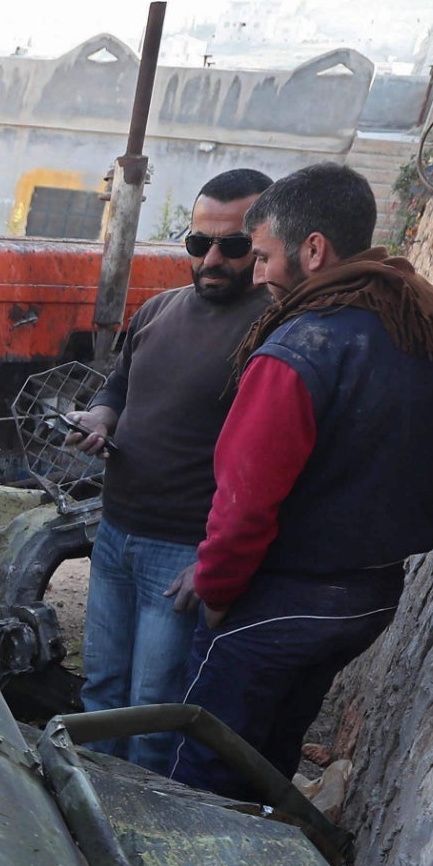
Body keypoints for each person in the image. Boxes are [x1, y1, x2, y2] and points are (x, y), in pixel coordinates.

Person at [168, 162, 433, 798]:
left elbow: (243, 505)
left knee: (204, 771)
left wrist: (215, 594)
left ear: (313, 250)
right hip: (371, 596)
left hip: (279, 598)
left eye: (262, 255)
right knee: (272, 761)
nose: (257, 273)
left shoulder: (301, 347)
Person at [70, 167, 271, 771]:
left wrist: (211, 560)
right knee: (101, 692)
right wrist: (101, 419)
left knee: (153, 711)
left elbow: (269, 466)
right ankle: (90, 811)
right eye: (198, 243)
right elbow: (119, 385)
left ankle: (139, 834)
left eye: (232, 247)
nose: (212, 259)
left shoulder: (273, 330)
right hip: (115, 536)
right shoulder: (158, 310)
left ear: (262, 244)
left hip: (181, 553)